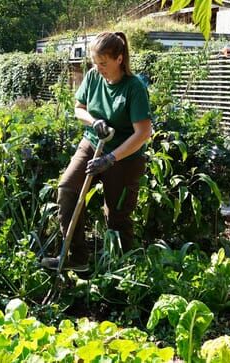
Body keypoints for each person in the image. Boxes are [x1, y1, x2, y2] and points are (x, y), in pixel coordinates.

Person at [41, 31, 152, 272]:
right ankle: (76, 258)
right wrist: (94, 122)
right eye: (95, 62)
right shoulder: (93, 77)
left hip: (124, 156)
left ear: (119, 59)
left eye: (104, 63)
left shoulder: (134, 88)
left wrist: (111, 158)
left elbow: (143, 133)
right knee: (68, 189)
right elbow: (78, 108)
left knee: (116, 216)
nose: (98, 68)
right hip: (92, 144)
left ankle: (122, 269)